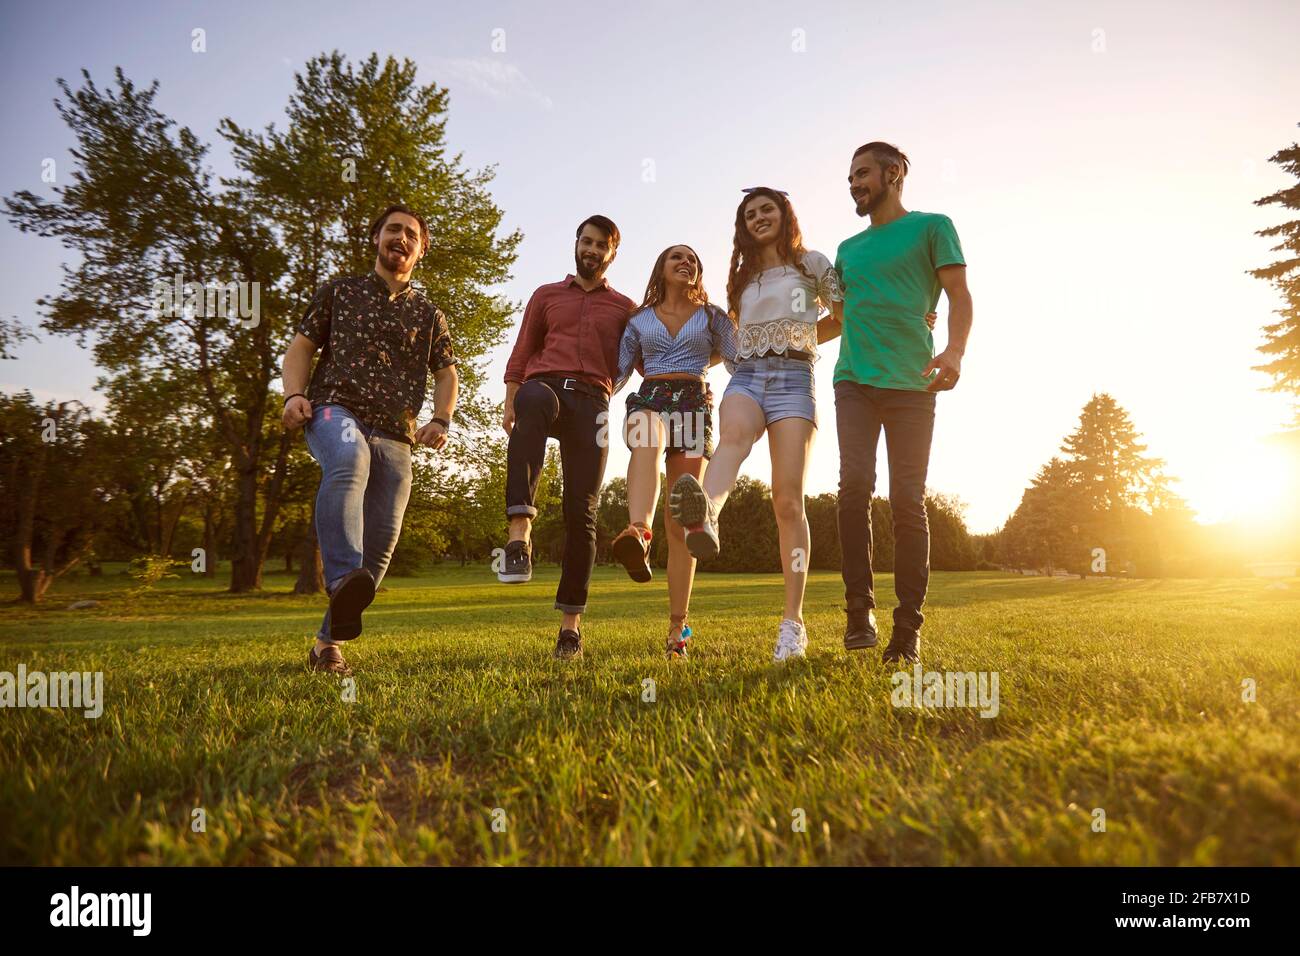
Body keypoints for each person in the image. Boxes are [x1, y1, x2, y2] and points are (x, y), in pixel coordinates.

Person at [281, 203, 459, 675]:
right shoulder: (340, 291)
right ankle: (341, 577)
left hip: (397, 430)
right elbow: (300, 346)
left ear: (420, 251)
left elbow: (446, 373)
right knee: (349, 460)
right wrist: (293, 395)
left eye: (411, 235)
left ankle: (326, 645)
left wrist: (440, 419)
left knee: (382, 538)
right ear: (377, 239)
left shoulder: (429, 313)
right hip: (336, 408)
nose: (401, 238)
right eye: (392, 230)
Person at [668, 188, 842, 663]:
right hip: (745, 375)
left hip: (793, 378)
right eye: (750, 213)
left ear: (785, 214)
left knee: (787, 501)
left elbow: (844, 316)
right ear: (742, 226)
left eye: (767, 209)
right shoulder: (741, 280)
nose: (759, 217)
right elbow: (729, 338)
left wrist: (804, 335)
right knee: (732, 441)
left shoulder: (813, 264)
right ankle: (707, 513)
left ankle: (793, 624)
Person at [831, 141, 973, 665]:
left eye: (862, 174)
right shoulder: (848, 250)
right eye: (850, 177)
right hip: (854, 383)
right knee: (853, 491)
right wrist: (775, 340)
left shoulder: (933, 226)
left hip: (913, 386)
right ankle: (857, 612)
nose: (854, 184)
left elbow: (959, 294)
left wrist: (954, 351)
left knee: (907, 502)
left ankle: (907, 629)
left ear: (894, 174)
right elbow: (842, 319)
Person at [500, 215, 636, 660]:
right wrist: (510, 399)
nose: (592, 250)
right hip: (544, 387)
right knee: (534, 400)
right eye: (587, 242)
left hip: (591, 403)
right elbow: (523, 349)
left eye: (602, 246)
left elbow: (633, 357)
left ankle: (570, 628)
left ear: (612, 254)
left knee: (584, 511)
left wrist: (607, 387)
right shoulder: (546, 295)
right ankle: (520, 531)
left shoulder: (625, 307)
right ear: (576, 244)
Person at [609, 244, 738, 658]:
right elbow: (616, 374)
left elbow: (741, 359)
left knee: (682, 520)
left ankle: (677, 629)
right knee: (646, 436)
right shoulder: (638, 320)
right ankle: (638, 534)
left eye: (694, 260)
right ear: (660, 268)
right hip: (651, 395)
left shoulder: (712, 315)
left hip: (694, 401)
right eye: (676, 257)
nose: (687, 263)